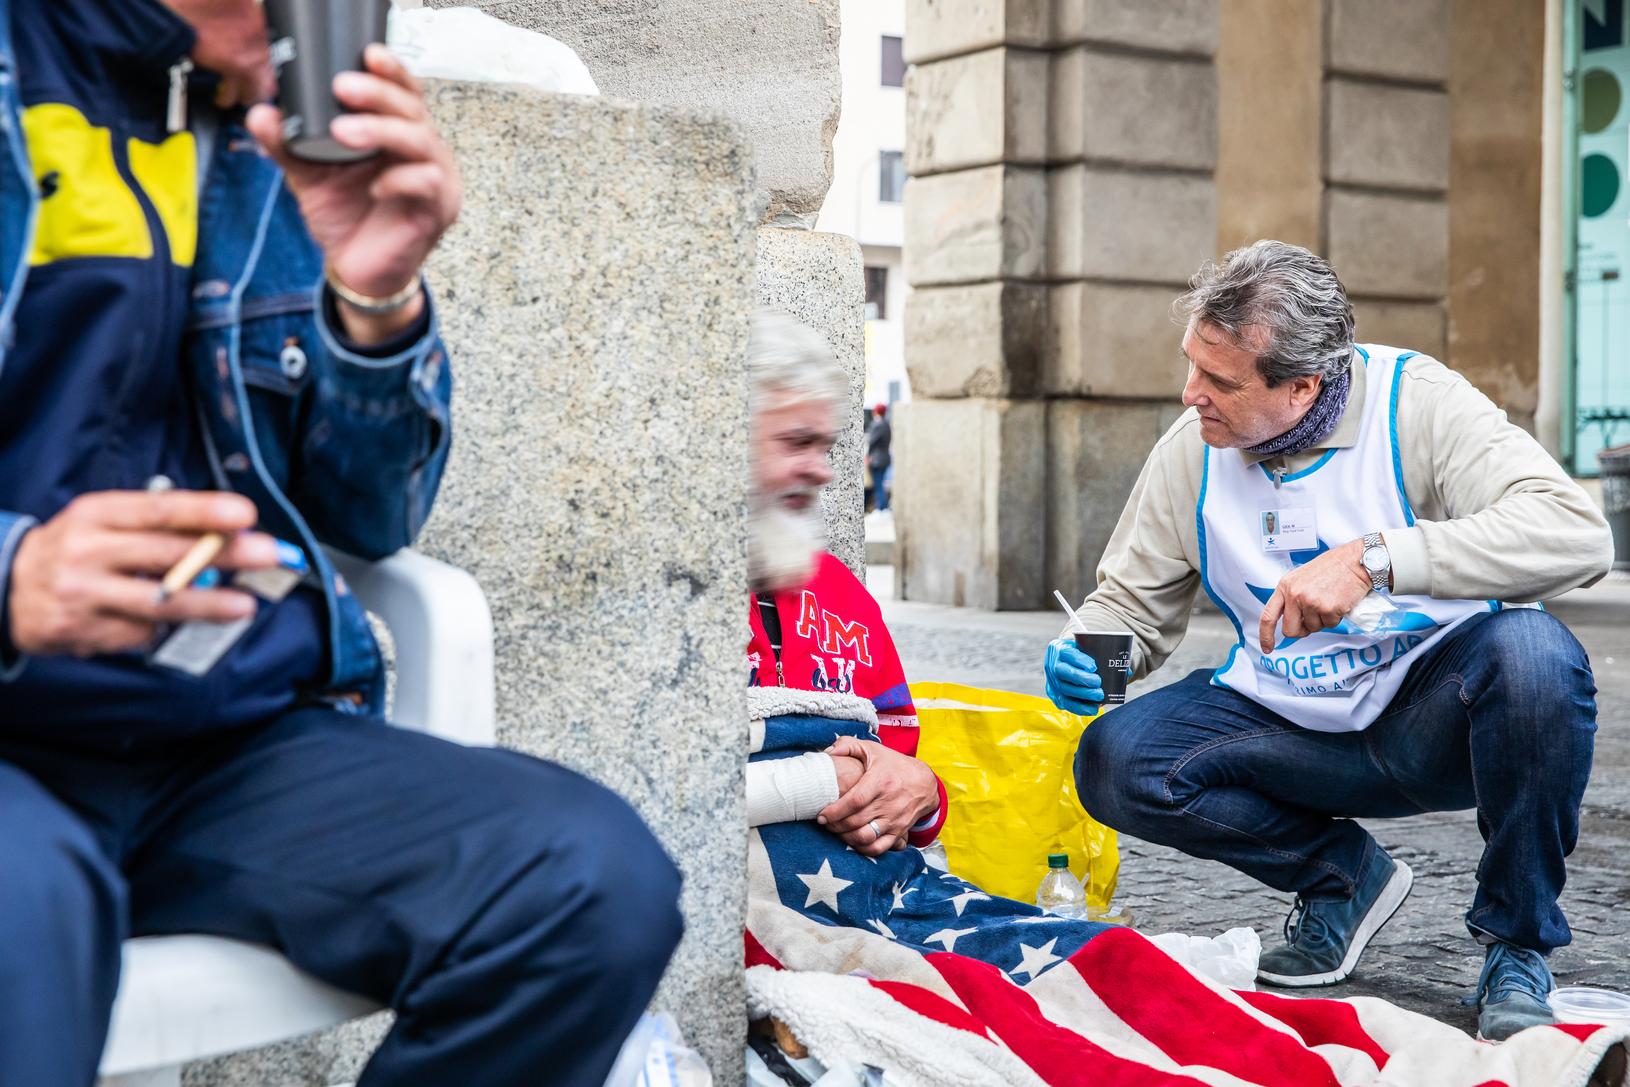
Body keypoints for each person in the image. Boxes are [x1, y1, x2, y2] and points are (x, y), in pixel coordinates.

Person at [0, 4, 680, 1085]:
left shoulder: (268, 138)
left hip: (215, 747)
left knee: (586, 880)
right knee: (24, 915)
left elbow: (371, 520)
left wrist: (377, 301)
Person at [1043, 241, 1613, 1041]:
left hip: (1437, 716)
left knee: (1536, 656)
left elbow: (1578, 535)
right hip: (1285, 728)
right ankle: (1343, 878)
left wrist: (1376, 559)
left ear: (1304, 385)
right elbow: (1128, 607)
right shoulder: (1189, 448)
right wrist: (1092, 655)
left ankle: (1517, 943)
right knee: (1113, 757)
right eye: (1191, 366)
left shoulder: (1415, 403)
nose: (1189, 393)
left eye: (1220, 381)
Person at [745, 311, 944, 855]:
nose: (825, 471)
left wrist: (923, 792)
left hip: (870, 892)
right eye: (795, 443)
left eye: (826, 448)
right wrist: (816, 783)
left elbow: (908, 774)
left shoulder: (838, 590)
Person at [866, 402, 892, 512]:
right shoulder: (886, 424)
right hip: (885, 458)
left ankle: (881, 507)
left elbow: (872, 442)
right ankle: (883, 506)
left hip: (877, 459)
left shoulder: (877, 424)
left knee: (878, 484)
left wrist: (867, 455)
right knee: (881, 482)